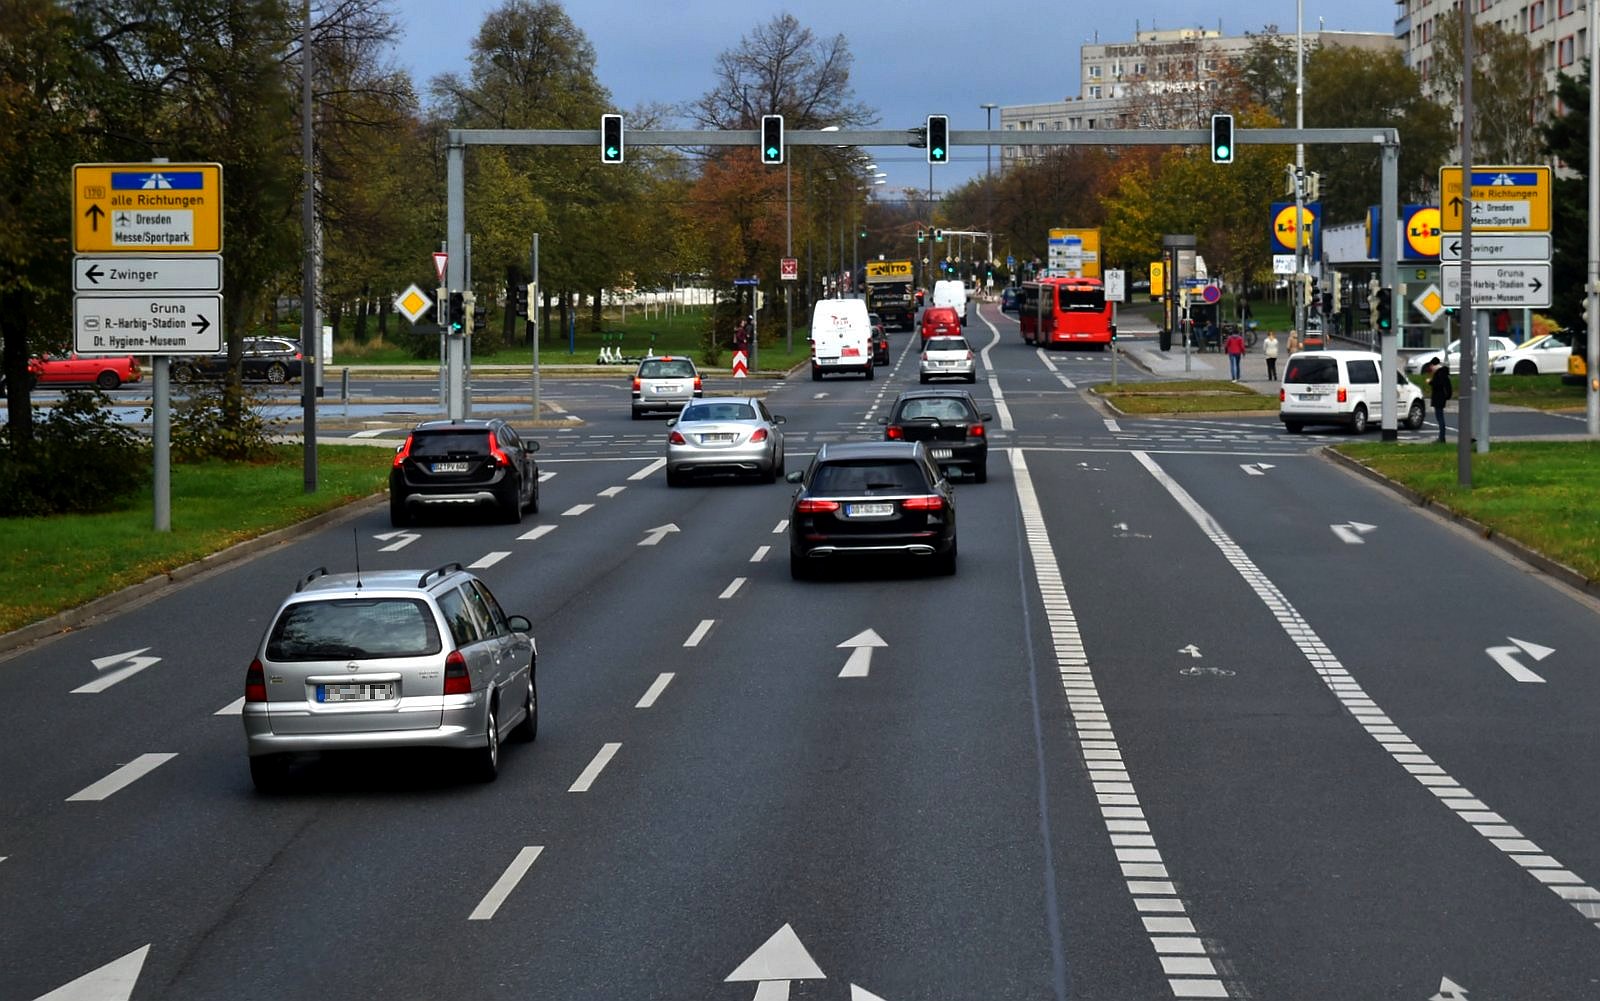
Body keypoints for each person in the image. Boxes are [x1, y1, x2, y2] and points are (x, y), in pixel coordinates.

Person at [1428, 361, 1453, 442]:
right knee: (1440, 417)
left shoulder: (1439, 374)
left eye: (1431, 366)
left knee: (1440, 418)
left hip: (1438, 398)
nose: (1431, 368)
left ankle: (1441, 437)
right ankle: (1441, 437)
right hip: (1442, 398)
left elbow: (1437, 385)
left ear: (1434, 365)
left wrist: (1430, 382)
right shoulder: (1444, 373)